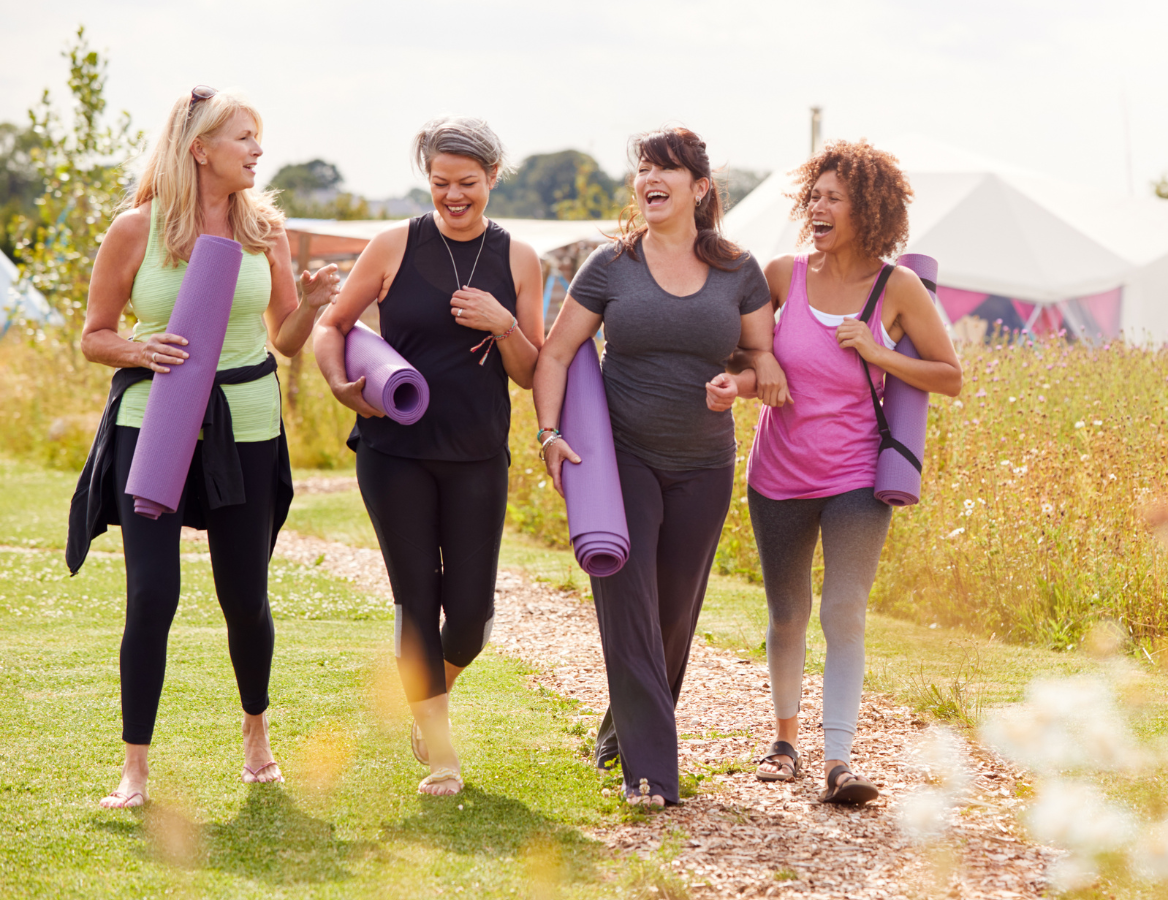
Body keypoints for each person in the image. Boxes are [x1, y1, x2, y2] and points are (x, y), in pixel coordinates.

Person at [70, 86, 341, 809]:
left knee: (245, 598)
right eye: (244, 138)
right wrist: (138, 346)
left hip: (247, 424)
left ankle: (256, 735)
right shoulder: (137, 230)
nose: (257, 150)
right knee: (152, 596)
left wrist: (311, 306)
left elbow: (284, 341)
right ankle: (135, 768)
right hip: (152, 426)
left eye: (259, 137)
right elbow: (95, 335)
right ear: (200, 149)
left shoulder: (267, 231)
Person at [707, 140, 962, 804]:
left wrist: (878, 351)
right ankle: (785, 743)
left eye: (832, 198)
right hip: (777, 474)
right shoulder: (783, 275)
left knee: (843, 610)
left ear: (867, 210)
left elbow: (949, 375)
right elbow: (742, 356)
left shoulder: (896, 288)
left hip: (855, 475)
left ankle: (840, 759)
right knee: (787, 611)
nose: (816, 206)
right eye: (813, 195)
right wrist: (745, 380)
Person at [534, 126, 782, 807]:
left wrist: (743, 385)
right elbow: (555, 354)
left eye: (665, 168)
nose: (649, 177)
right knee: (629, 602)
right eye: (643, 166)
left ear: (699, 188)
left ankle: (622, 729)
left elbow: (764, 360)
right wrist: (549, 432)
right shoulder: (611, 266)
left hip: (705, 463)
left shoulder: (739, 268)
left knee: (674, 613)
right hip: (623, 459)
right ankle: (651, 774)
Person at [312, 117, 544, 797]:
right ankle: (442, 755)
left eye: (467, 183)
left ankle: (425, 697)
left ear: (492, 178)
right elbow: (333, 324)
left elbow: (531, 372)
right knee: (417, 600)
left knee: (469, 618)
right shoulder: (392, 244)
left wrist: (503, 324)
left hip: (477, 453)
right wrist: (338, 384)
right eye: (441, 183)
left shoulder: (521, 259)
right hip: (394, 450)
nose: (453, 196)